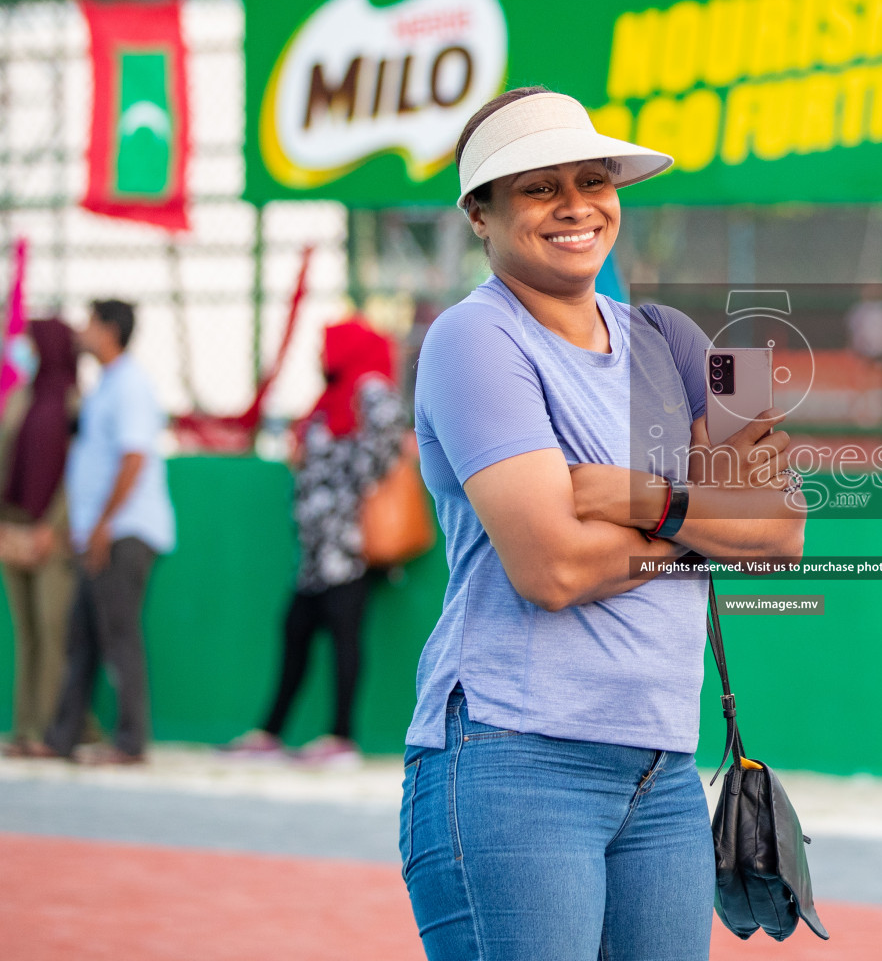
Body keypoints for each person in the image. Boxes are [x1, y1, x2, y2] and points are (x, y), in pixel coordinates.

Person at [399, 87, 805, 961]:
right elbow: (552, 569)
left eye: (592, 179)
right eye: (539, 187)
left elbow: (784, 528)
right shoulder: (474, 340)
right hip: (516, 757)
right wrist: (706, 511)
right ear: (481, 212)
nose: (576, 205)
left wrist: (639, 498)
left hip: (661, 770)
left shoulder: (676, 338)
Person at [220, 320, 404, 766]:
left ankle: (342, 738)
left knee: (343, 636)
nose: (321, 357)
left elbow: (385, 449)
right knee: (296, 629)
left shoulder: (372, 390)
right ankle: (271, 733)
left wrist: (344, 486)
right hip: (316, 546)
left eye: (328, 347)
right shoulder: (331, 396)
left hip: (347, 545)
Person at [43, 300, 175, 765]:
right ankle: (60, 737)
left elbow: (134, 458)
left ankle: (130, 743)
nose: (82, 331)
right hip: (101, 533)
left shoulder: (131, 386)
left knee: (119, 637)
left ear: (110, 331)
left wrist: (102, 526)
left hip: (124, 532)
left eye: (91, 323)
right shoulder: (106, 386)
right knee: (83, 635)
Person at [0, 319, 78, 757]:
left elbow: (77, 472)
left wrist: (55, 524)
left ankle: (52, 728)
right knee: (26, 631)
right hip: (14, 527)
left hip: (52, 531)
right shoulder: (21, 399)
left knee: (53, 629)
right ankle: (25, 729)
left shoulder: (73, 402)